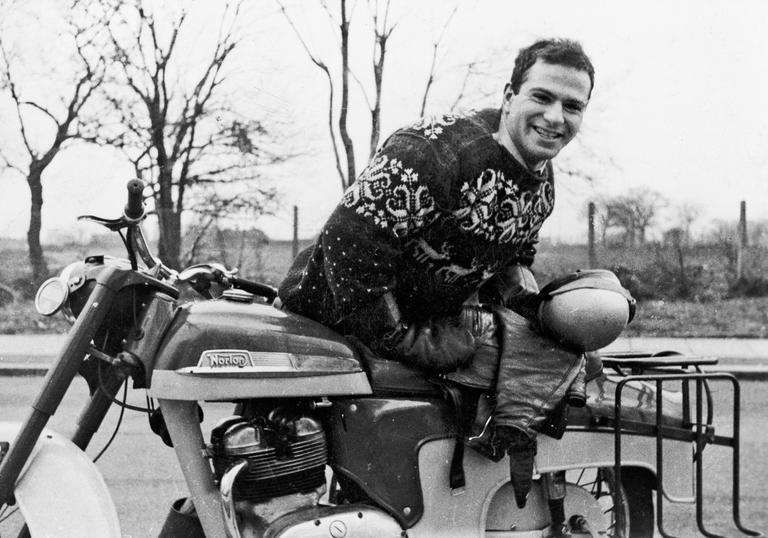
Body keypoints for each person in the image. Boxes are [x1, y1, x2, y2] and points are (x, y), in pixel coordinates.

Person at [279, 38, 595, 508]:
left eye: (573, 106)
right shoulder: (433, 152)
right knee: (294, 463)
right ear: (509, 96)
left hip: (423, 327)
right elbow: (351, 244)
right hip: (333, 320)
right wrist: (400, 337)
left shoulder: (541, 186)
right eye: (542, 97)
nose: (555, 117)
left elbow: (511, 258)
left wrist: (527, 308)